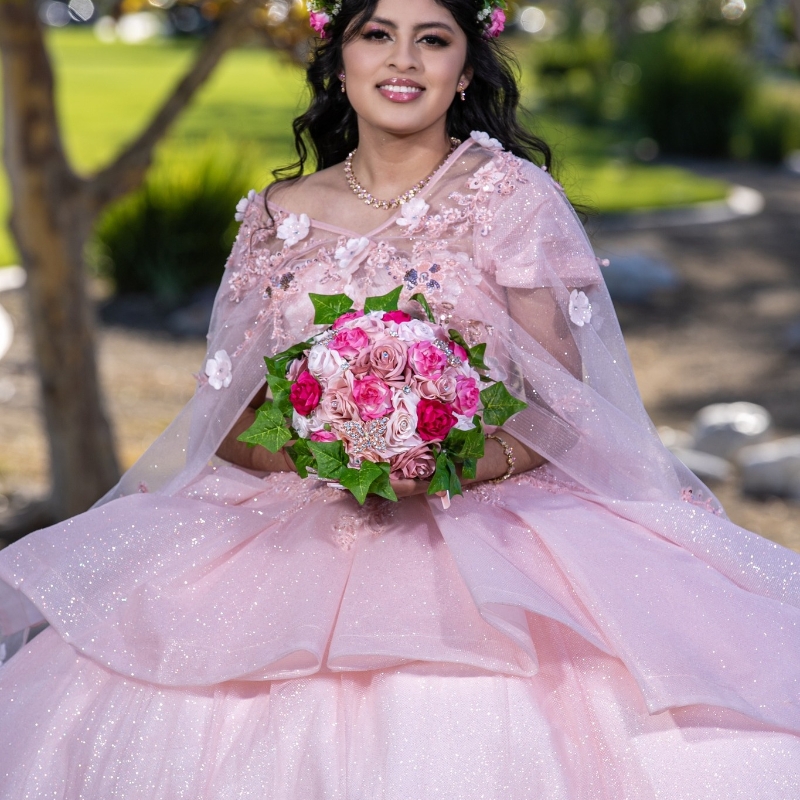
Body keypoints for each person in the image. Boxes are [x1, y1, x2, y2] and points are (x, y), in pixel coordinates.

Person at [1, 0, 799, 795]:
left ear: (464, 70)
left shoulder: (509, 198)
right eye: (377, 35)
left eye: (433, 40)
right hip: (297, 516)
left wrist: (448, 459)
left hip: (489, 520)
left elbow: (564, 410)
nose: (403, 61)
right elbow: (225, 422)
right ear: (340, 62)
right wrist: (322, 454)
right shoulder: (277, 217)